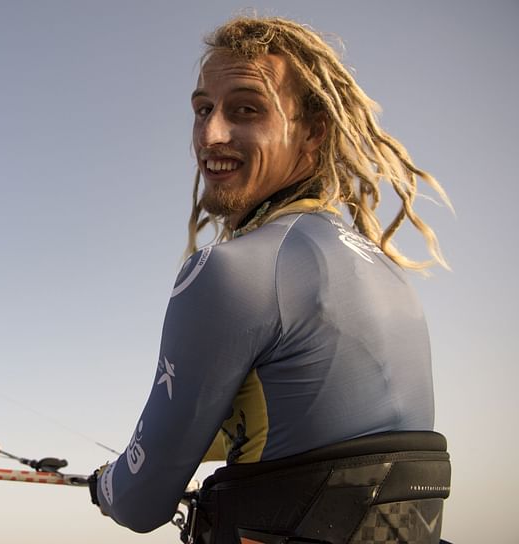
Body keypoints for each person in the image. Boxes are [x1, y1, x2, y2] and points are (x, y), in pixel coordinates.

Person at [88, 15, 452, 544]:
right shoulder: (387, 274)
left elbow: (140, 502)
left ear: (313, 129)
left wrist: (108, 485)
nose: (210, 134)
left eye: (246, 109)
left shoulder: (232, 271)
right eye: (203, 110)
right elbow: (311, 422)